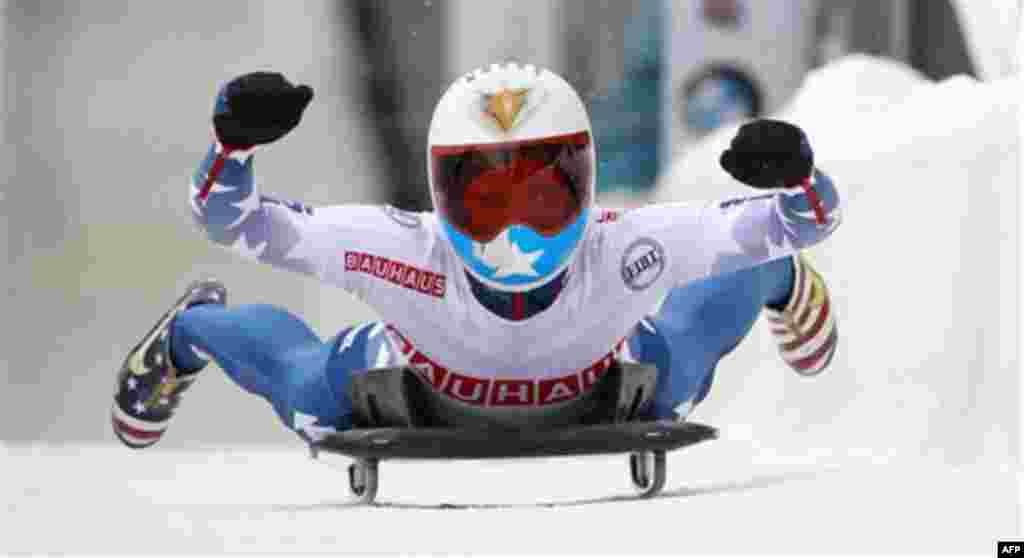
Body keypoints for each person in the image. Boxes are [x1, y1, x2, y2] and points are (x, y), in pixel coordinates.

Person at [110, 64, 840, 448]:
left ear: (582, 184)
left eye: (542, 197)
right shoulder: (399, 246)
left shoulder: (624, 247)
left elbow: (806, 220)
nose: (517, 233)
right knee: (306, 380)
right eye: (490, 201)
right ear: (442, 193)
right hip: (418, 382)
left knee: (697, 327)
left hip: (597, 377)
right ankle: (189, 331)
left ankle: (782, 284)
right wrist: (231, 147)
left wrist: (797, 181)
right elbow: (228, 221)